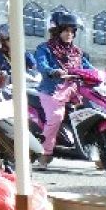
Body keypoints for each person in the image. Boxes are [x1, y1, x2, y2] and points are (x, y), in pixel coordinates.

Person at [33, 11, 92, 169]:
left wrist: (105, 76)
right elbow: (41, 65)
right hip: (52, 90)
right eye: (66, 30)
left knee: (94, 111)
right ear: (57, 31)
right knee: (56, 117)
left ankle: (98, 150)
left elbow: (88, 68)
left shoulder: (77, 52)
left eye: (72, 31)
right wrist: (53, 71)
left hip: (75, 90)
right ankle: (44, 154)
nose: (70, 34)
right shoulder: (44, 48)